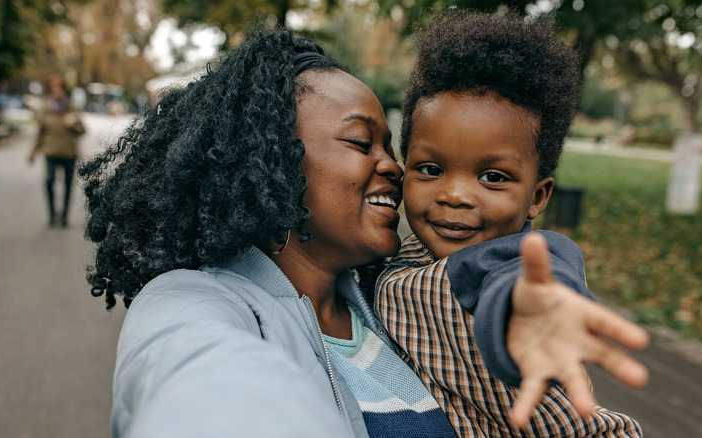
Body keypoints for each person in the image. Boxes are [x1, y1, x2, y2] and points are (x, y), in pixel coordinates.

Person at [80, 30, 646, 437]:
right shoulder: (195, 303)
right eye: (361, 143)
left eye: (391, 148)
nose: (394, 168)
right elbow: (199, 380)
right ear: (271, 159)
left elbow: (519, 273)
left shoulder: (383, 287)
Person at [375, 11, 647, 436]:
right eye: (430, 169)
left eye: (492, 177)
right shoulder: (397, 255)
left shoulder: (514, 262)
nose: (455, 194)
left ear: (537, 196)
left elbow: (532, 281)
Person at [28, 75, 85, 227]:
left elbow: (82, 130)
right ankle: (52, 214)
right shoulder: (46, 110)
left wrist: (74, 126)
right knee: (49, 181)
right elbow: (40, 133)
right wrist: (32, 153)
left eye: (60, 89)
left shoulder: (71, 108)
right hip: (51, 153)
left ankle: (65, 216)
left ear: (65, 91)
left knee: (68, 185)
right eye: (54, 89)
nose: (57, 92)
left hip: (69, 154)